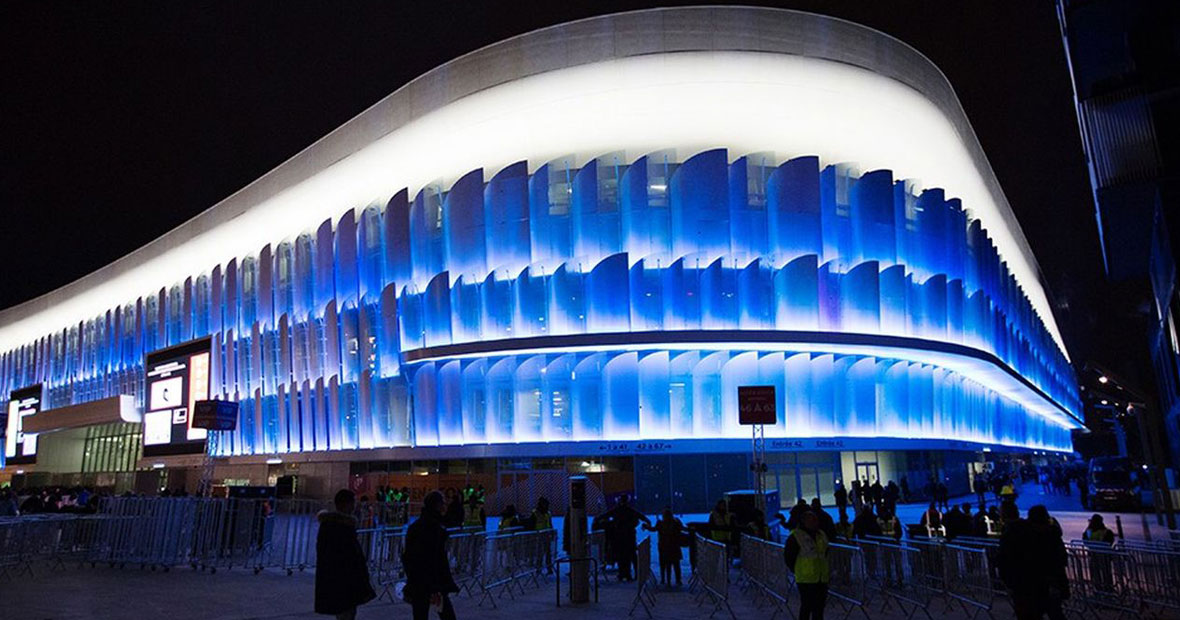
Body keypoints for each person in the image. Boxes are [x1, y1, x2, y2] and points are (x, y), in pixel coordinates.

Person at [998, 505, 1068, 620]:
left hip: (1026, 587)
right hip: (1048, 583)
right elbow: (1060, 559)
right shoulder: (1052, 534)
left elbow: (1004, 560)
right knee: (1055, 613)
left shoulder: (1015, 534)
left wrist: (1010, 582)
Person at [315, 490, 376, 620]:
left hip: (334, 577)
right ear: (346, 504)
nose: (355, 506)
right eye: (353, 502)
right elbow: (353, 555)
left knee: (343, 611)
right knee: (346, 611)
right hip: (345, 578)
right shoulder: (344, 527)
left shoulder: (327, 525)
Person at [403, 491, 460, 620]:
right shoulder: (434, 527)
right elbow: (434, 557)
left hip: (419, 581)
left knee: (420, 613)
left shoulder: (416, 527)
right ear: (437, 505)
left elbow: (407, 555)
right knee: (445, 613)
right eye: (442, 503)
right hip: (433, 581)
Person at [784, 511, 830, 620]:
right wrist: (796, 570)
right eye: (812, 520)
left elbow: (825, 552)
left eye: (815, 520)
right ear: (804, 521)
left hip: (821, 576)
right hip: (805, 578)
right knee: (807, 606)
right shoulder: (796, 535)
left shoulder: (821, 534)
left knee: (819, 607)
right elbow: (789, 556)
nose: (815, 522)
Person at [602, 495, 651, 581]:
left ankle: (622, 573)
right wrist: (646, 522)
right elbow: (641, 516)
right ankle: (631, 574)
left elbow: (606, 515)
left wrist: (600, 519)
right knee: (631, 556)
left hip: (620, 537)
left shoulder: (617, 510)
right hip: (629, 536)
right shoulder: (630, 511)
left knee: (621, 556)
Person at [643, 508, 686, 586]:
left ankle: (665, 579)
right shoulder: (676, 523)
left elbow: (653, 529)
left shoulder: (660, 524)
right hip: (674, 546)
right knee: (676, 564)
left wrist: (646, 526)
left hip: (663, 547)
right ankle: (678, 580)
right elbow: (683, 529)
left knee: (664, 564)